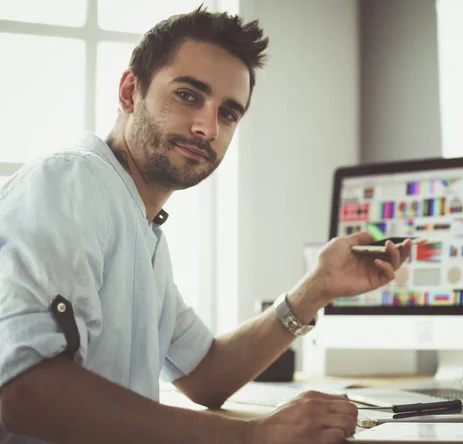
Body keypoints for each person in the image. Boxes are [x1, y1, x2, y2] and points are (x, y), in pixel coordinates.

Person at [0, 6, 410, 444]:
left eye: (229, 113)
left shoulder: (142, 229)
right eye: (188, 95)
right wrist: (249, 437)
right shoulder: (72, 183)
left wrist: (317, 288)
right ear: (128, 92)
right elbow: (21, 390)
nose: (207, 127)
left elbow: (206, 375)